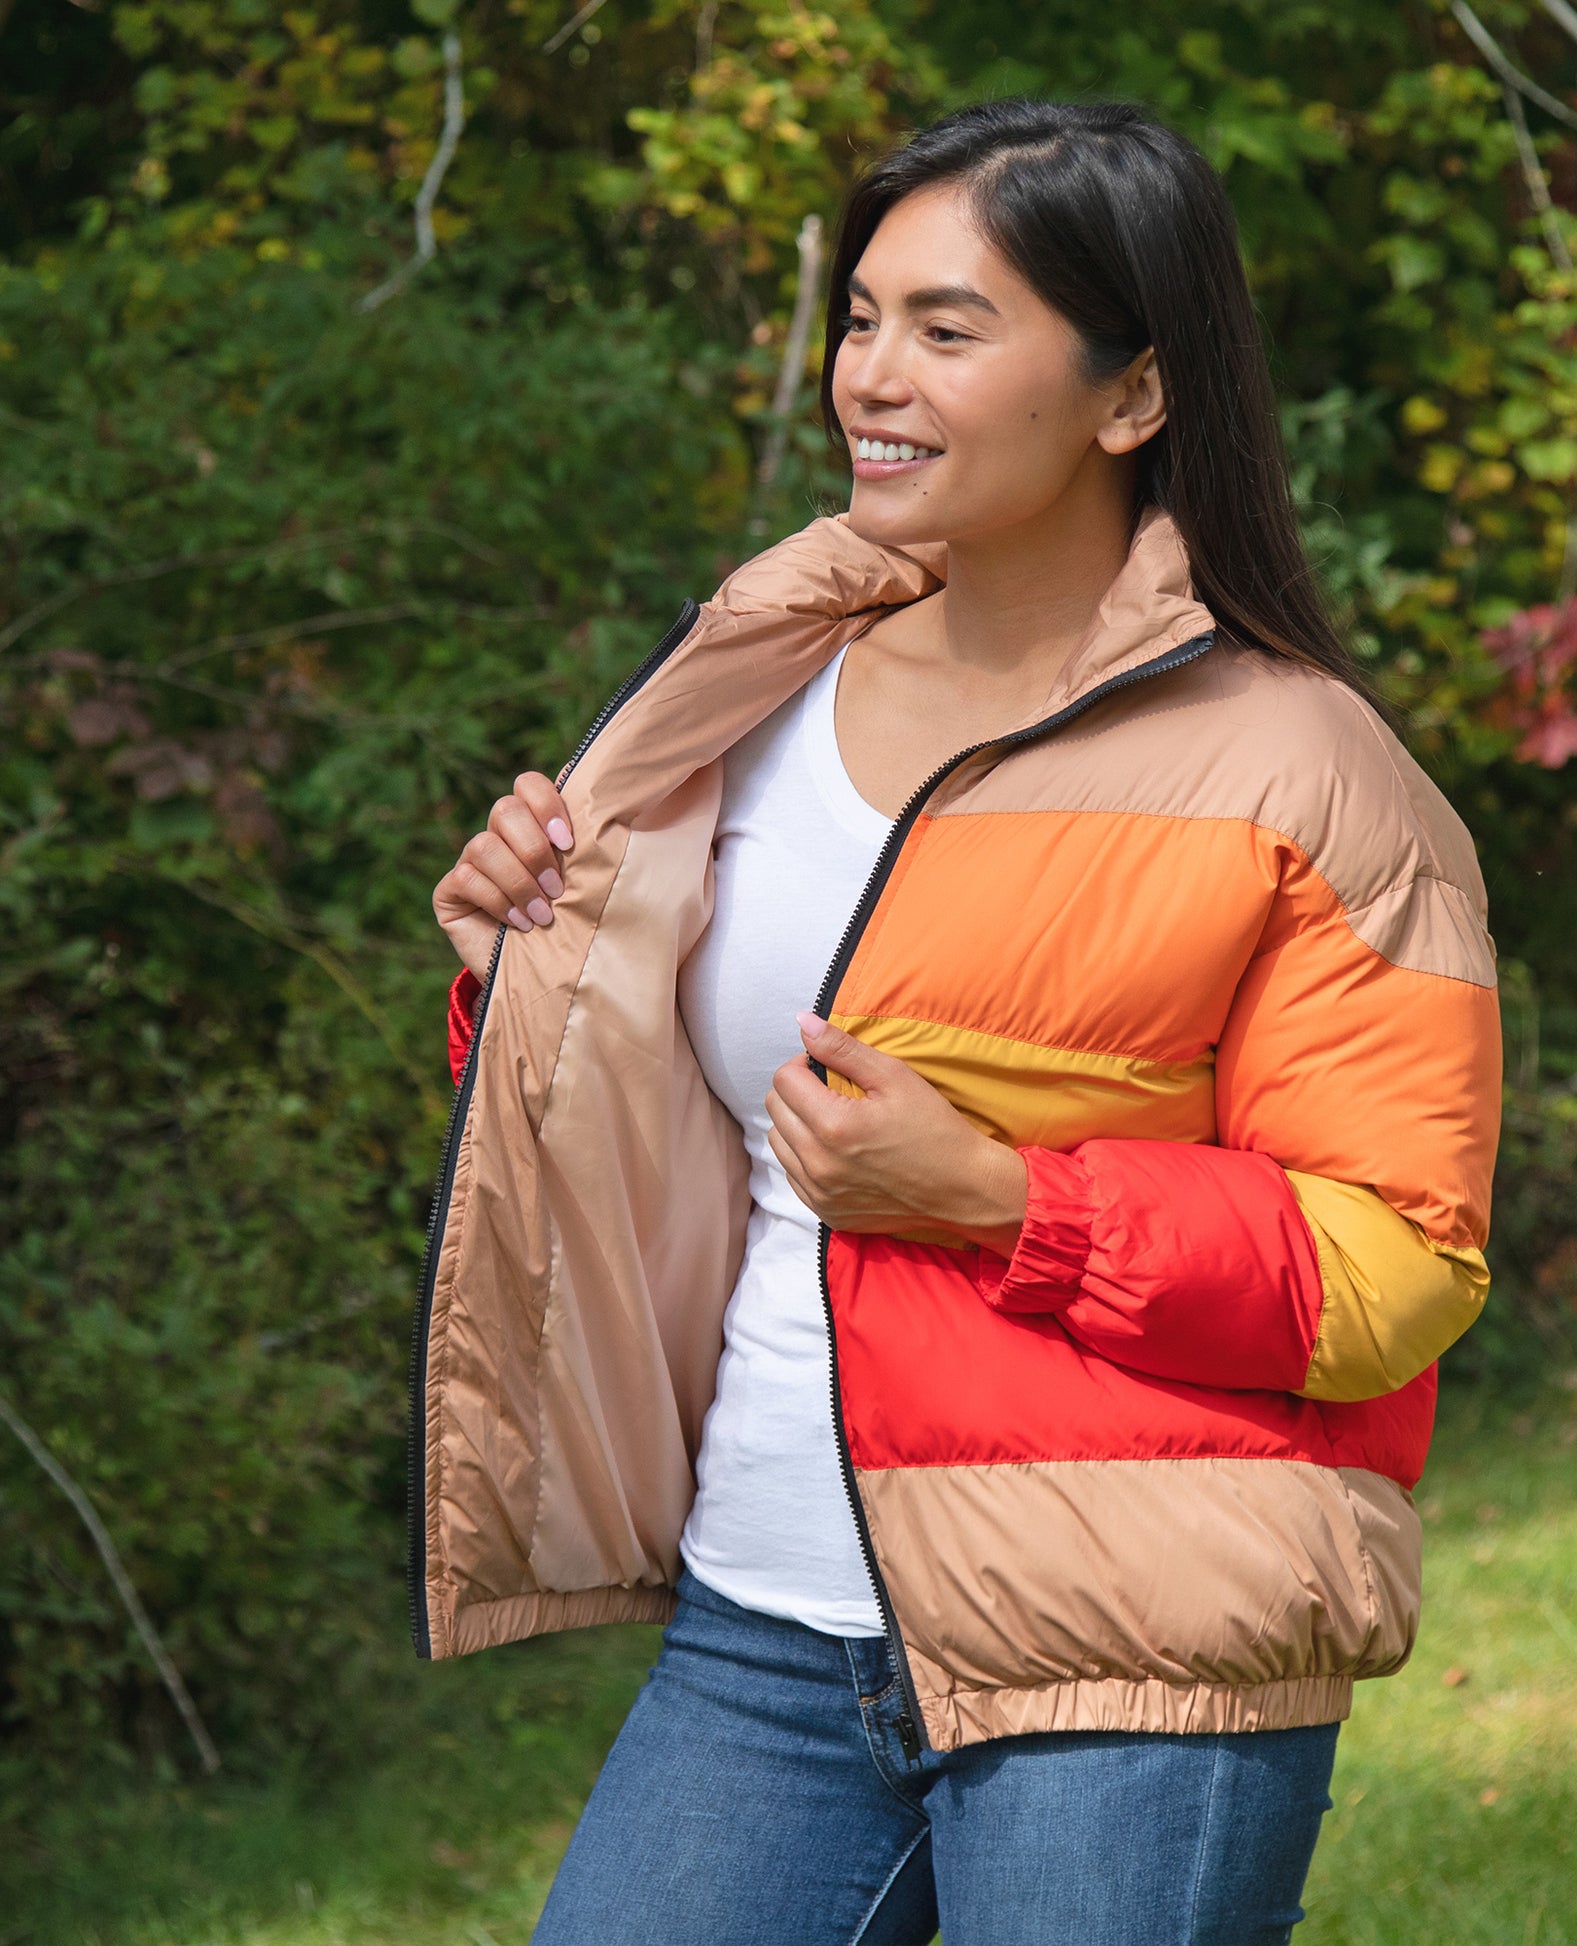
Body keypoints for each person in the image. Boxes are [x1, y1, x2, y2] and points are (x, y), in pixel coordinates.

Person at [422, 98, 1501, 1946]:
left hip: (1132, 1647)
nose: (872, 375)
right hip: (762, 1623)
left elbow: (1399, 1259)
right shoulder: (747, 685)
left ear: (1132, 393)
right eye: (862, 318)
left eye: (948, 327)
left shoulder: (1303, 773)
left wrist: (1007, 1200)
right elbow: (675, 1127)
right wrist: (516, 971)